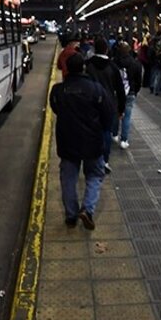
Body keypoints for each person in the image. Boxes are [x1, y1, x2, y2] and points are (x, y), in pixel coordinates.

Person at [49, 52, 113, 231]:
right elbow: (107, 115)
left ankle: (71, 216)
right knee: (94, 175)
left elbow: (55, 109)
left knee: (68, 178)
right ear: (83, 68)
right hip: (92, 141)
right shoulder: (96, 89)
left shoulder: (58, 91)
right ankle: (87, 209)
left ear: (67, 69)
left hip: (67, 140)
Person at [85, 37, 126, 173]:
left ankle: (92, 159)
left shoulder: (88, 64)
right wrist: (121, 109)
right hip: (109, 104)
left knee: (91, 132)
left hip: (90, 104)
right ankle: (105, 161)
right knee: (106, 132)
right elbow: (120, 89)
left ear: (95, 49)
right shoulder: (113, 67)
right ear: (107, 49)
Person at [115, 41, 143, 149]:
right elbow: (139, 80)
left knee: (116, 114)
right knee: (127, 116)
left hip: (117, 92)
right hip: (130, 92)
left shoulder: (114, 63)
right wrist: (135, 91)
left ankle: (114, 134)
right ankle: (124, 139)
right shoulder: (135, 63)